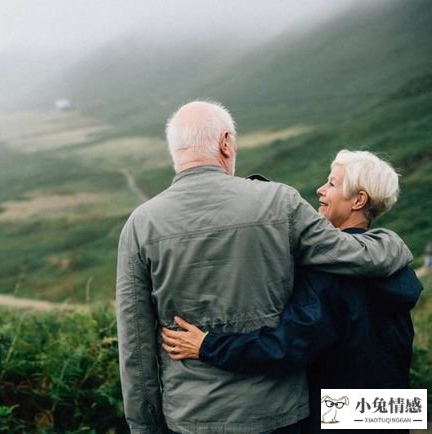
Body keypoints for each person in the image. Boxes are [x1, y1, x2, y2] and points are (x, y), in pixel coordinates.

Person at [115, 101, 413, 434]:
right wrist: (394, 243)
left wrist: (146, 424)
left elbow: (136, 347)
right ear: (226, 142)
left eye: (331, 183)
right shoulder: (394, 269)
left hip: (195, 416)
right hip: (352, 412)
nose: (320, 189)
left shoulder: (140, 225)